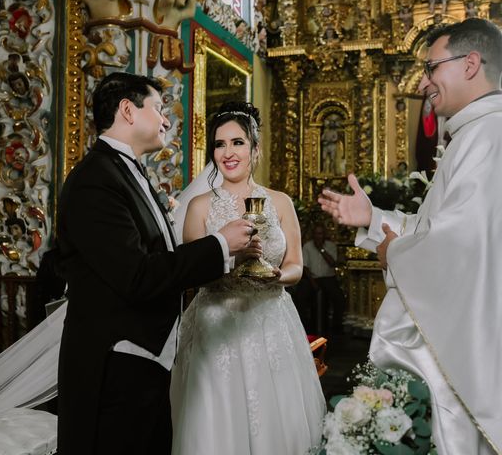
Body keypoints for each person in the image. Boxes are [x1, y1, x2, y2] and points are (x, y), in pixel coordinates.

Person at [318, 18, 502, 454]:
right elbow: (444, 228)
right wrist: (374, 218)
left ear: (471, 63)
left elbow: (464, 244)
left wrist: (393, 250)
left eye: (432, 67)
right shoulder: (473, 135)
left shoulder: (489, 137)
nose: (423, 82)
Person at [55, 73, 255, 455]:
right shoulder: (95, 180)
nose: (166, 121)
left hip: (143, 362)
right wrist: (220, 244)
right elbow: (137, 275)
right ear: (128, 111)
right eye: (159, 109)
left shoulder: (124, 173)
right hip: (114, 366)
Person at [170, 101, 326, 455]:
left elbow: (296, 265)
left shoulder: (280, 203)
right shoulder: (200, 207)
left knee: (275, 421)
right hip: (215, 322)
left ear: (255, 149)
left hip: (270, 320)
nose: (228, 152)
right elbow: (190, 272)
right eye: (220, 144)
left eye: (238, 142)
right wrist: (226, 252)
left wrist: (275, 276)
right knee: (215, 420)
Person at [301, 224, 345, 334]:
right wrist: (313, 283)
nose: (318, 236)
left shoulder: (330, 246)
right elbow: (305, 267)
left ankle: (336, 326)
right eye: (316, 233)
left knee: (338, 298)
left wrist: (321, 249)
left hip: (328, 278)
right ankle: (304, 326)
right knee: (301, 295)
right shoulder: (307, 246)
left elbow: (332, 263)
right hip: (312, 278)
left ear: (324, 235)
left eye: (320, 233)